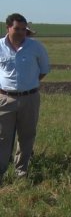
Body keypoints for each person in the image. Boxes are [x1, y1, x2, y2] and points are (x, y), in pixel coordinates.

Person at [0, 13, 50, 184]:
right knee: (2, 137)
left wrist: (27, 85)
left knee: (27, 135)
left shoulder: (35, 47)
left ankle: (21, 172)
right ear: (8, 28)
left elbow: (43, 70)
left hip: (30, 98)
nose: (21, 32)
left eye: (23, 29)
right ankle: (1, 172)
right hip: (4, 99)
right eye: (17, 29)